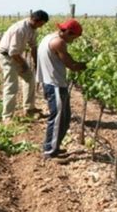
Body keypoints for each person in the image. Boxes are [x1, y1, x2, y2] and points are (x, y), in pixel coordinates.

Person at [36, 19, 87, 159]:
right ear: (68, 32)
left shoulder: (49, 37)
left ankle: (55, 147)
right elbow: (71, 65)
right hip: (55, 85)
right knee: (57, 118)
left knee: (64, 118)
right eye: (74, 37)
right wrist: (89, 65)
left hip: (54, 84)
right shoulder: (59, 42)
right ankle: (49, 151)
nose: (74, 40)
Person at [0, 10, 49, 124]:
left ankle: (29, 108)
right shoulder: (20, 29)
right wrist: (24, 64)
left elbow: (33, 47)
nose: (42, 26)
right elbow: (13, 52)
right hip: (7, 57)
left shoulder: (33, 30)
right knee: (12, 85)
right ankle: (7, 116)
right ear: (36, 20)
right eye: (41, 24)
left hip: (16, 56)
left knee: (30, 78)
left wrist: (36, 63)